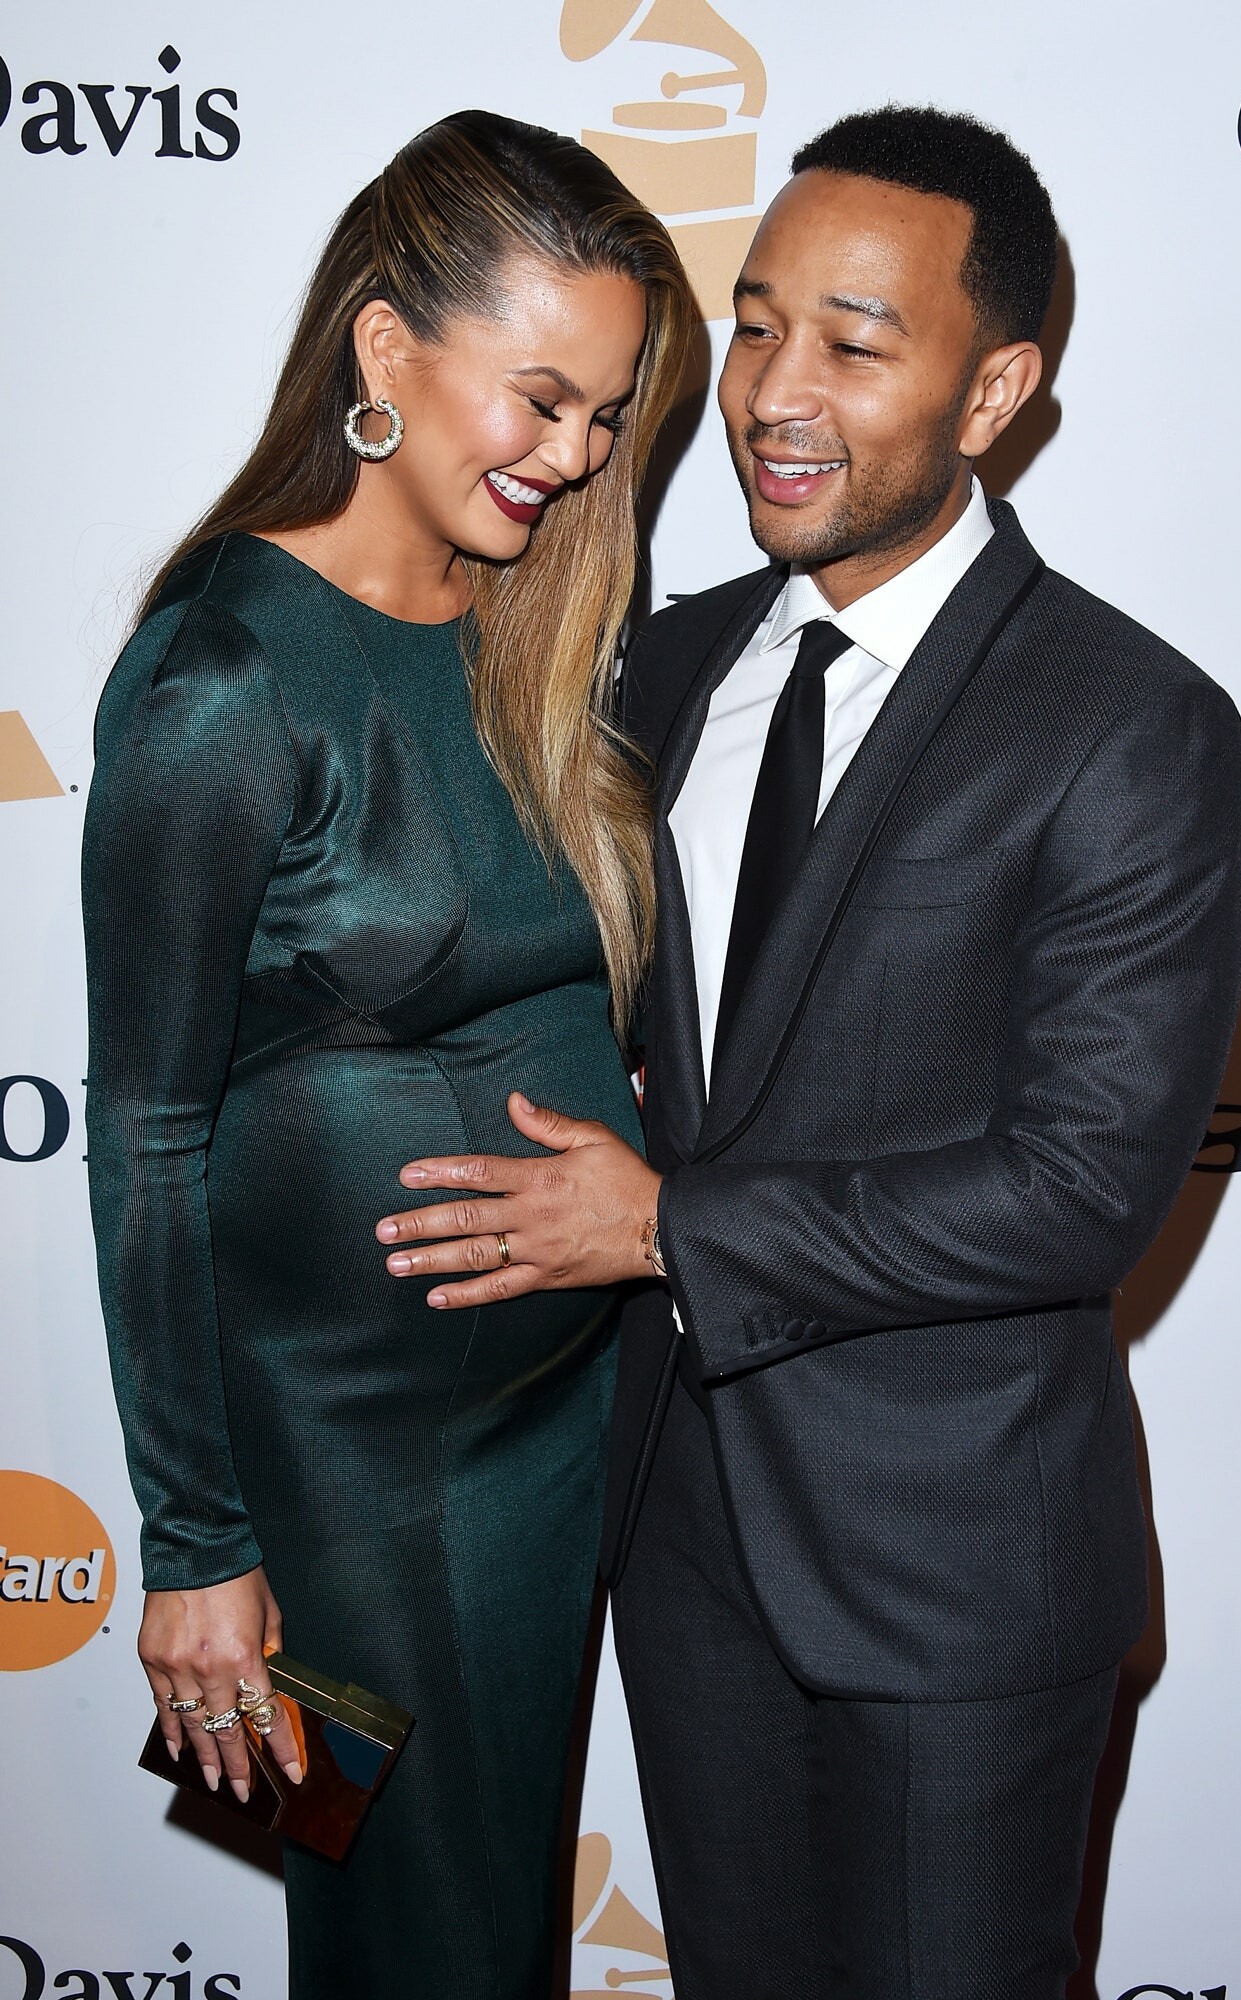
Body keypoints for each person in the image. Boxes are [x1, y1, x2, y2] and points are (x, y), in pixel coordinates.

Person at [373, 107, 1241, 1997]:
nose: (774, 391)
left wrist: (662, 1230)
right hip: (673, 1544)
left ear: (994, 387)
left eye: (854, 345)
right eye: (756, 325)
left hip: (957, 1579)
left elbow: (1079, 1189)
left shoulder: (1133, 727)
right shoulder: (655, 661)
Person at [82, 108, 690, 1999]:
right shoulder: (226, 675)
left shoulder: (528, 618)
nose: (577, 456)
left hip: (557, 1428)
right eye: (540, 398)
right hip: (342, 1467)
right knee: (405, 1942)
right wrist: (193, 1551)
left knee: (486, 1926)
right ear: (381, 353)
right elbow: (148, 1131)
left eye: (603, 415)